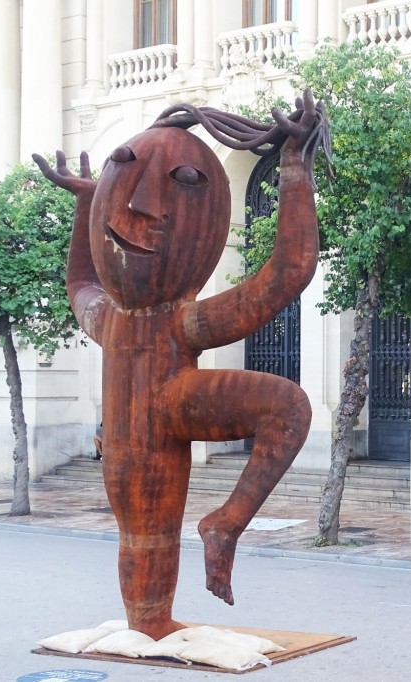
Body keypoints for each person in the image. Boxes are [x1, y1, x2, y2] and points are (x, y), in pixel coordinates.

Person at [34, 91, 329, 640]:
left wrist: (293, 167)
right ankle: (149, 618)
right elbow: (83, 282)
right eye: (123, 170)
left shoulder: (169, 322)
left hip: (171, 402)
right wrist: (84, 206)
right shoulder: (113, 318)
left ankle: (225, 523)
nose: (142, 203)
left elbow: (289, 270)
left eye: (185, 182)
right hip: (139, 437)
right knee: (143, 539)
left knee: (285, 409)